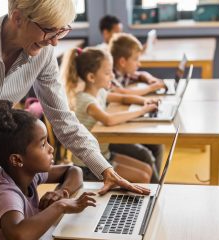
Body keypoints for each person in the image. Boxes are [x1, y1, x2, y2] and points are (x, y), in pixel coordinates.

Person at [0, 0, 149, 196]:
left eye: (62, 30)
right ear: (18, 18)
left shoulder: (43, 54)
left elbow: (62, 119)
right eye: (49, 29)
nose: (55, 41)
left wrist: (104, 169)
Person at [0, 100, 96, 240]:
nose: (50, 149)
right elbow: (19, 238)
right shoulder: (4, 193)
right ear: (17, 159)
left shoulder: (28, 174)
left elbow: (74, 171)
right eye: (43, 144)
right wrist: (59, 206)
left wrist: (61, 192)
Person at [61, 47, 159, 182]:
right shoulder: (85, 99)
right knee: (142, 177)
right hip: (88, 166)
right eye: (107, 73)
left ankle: (151, 200)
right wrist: (142, 111)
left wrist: (145, 101)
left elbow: (123, 98)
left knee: (147, 170)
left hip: (103, 155)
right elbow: (108, 120)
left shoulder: (100, 92)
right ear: (91, 77)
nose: (112, 76)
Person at [109, 33, 165, 177]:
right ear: (122, 61)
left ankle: (156, 184)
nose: (139, 63)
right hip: (109, 135)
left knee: (157, 145)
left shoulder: (125, 73)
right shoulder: (109, 75)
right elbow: (124, 93)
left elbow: (141, 74)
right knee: (145, 155)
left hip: (120, 124)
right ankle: (153, 189)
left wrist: (150, 79)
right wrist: (151, 88)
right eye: (136, 59)